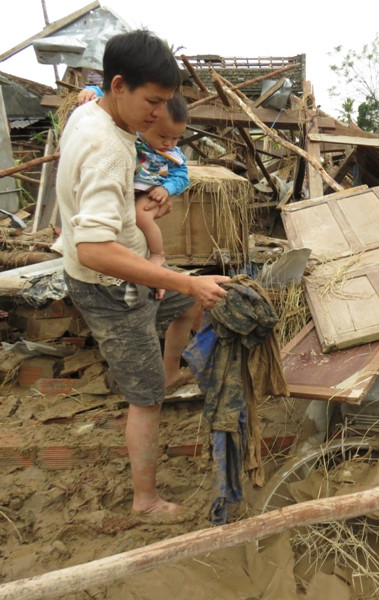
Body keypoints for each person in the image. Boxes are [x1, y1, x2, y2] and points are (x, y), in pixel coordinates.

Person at [56, 29, 230, 522]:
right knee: (145, 398)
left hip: (133, 273)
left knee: (192, 305)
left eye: (166, 103)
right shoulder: (107, 148)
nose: (158, 115)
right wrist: (180, 277)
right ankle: (145, 501)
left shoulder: (89, 111)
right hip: (112, 290)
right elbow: (93, 250)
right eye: (151, 102)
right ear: (118, 86)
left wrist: (154, 202)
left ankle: (171, 371)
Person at [77, 88, 190, 300]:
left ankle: (157, 254)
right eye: (163, 136)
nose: (169, 143)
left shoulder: (173, 153)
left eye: (176, 138)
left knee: (141, 216)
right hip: (129, 189)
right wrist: (91, 91)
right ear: (147, 122)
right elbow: (114, 99)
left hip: (150, 190)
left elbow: (182, 176)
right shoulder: (130, 133)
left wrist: (166, 189)